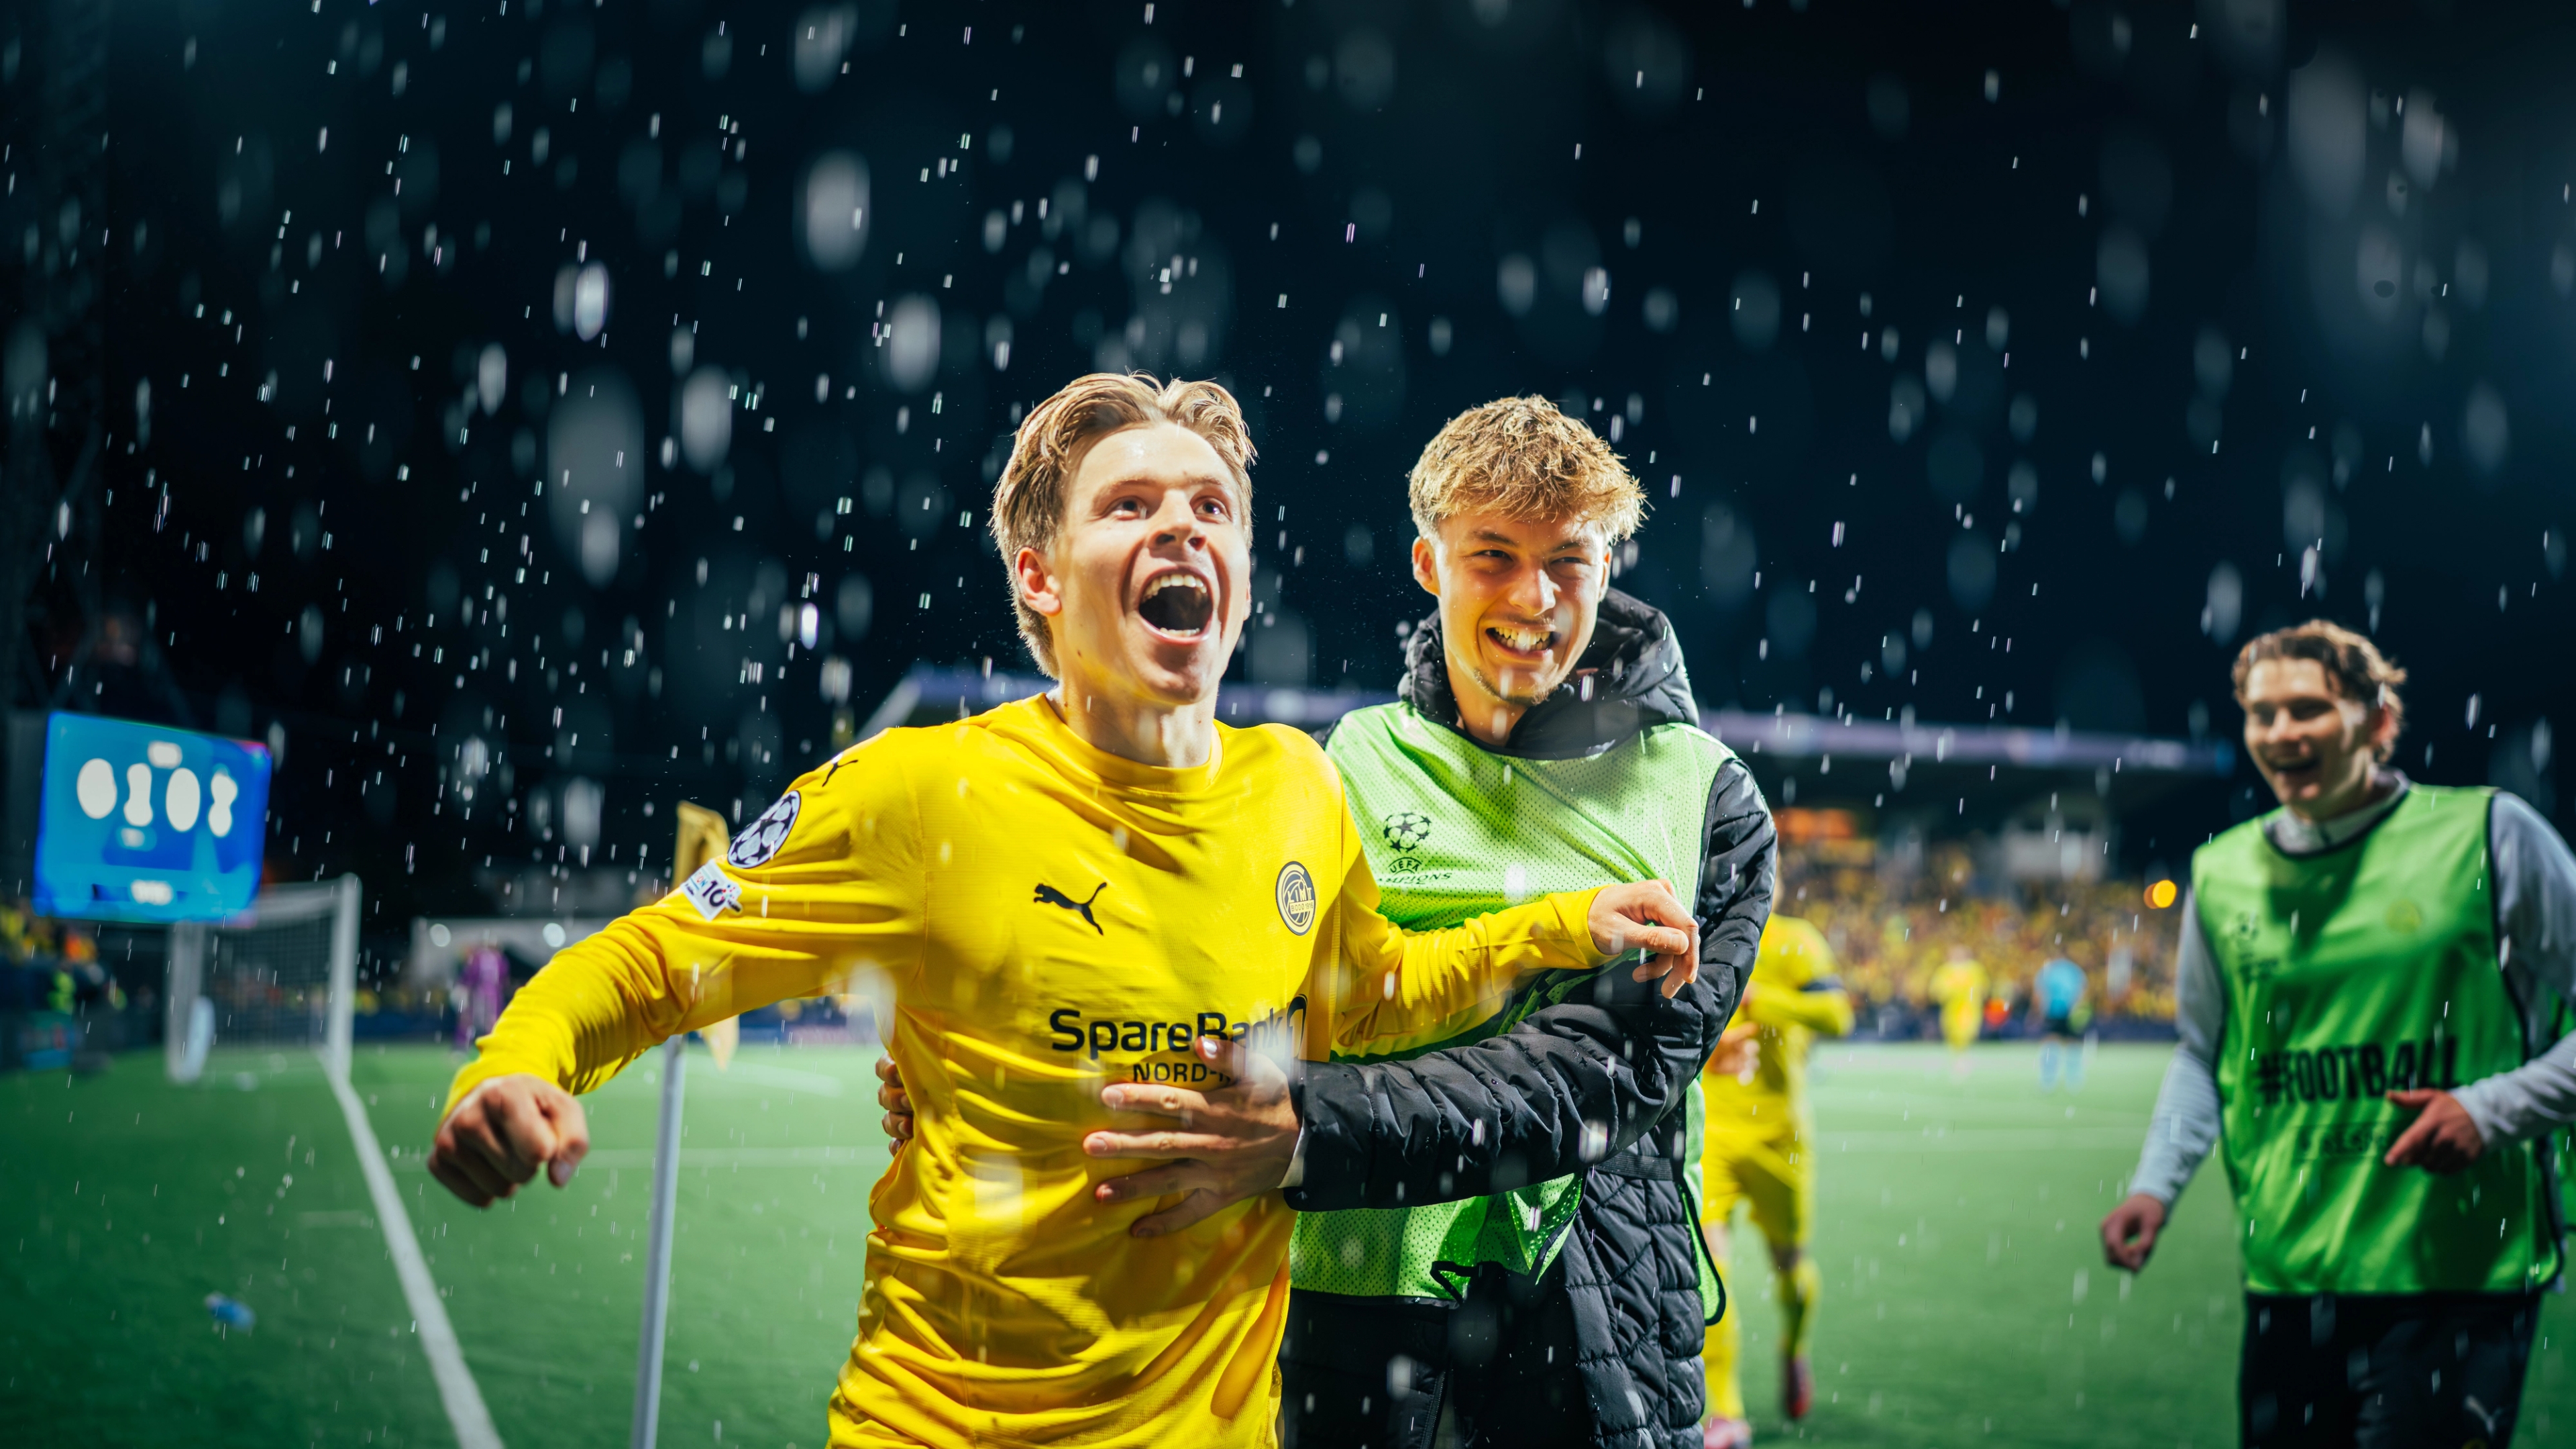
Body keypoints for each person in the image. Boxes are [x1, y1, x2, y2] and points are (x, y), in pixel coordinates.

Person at [424, 373, 1704, 1449]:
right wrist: (521, 1063)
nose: (1183, 529)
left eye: (1213, 507)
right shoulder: (921, 793)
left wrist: (1563, 926)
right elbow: (659, 958)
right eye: (1130, 506)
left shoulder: (1299, 791)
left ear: (1244, 570)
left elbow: (1372, 996)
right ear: (1038, 575)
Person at [881, 395, 1776, 1449]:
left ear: (1609, 566)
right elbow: (1220, 986)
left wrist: (1310, 1136)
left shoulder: (1708, 801)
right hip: (1352, 1311)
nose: (1535, 595)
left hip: (1606, 1323)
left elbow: (1590, 1079)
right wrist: (1000, 1066)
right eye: (1493, 552)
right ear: (1427, 564)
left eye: (1570, 557)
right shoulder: (1336, 769)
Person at [2099, 620, 2576, 1448]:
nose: (2281, 733)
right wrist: (2154, 1183)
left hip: (2455, 1271)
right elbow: (2203, 1053)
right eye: (2261, 714)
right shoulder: (2222, 871)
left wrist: (2491, 1109)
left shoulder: (2491, 836)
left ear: (2378, 721)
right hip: (2292, 1272)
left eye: (2309, 709)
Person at [1697, 915, 1852, 1448]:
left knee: (1792, 1270)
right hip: (1712, 1130)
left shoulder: (1797, 941)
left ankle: (1793, 1346)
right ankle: (1724, 1409)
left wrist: (1764, 999)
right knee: (1709, 1269)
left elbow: (1837, 1015)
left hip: (1779, 1137)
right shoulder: (1701, 931)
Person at [2032, 955, 2088, 1092]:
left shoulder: (2048, 970)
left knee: (2052, 1043)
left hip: (2054, 1012)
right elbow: (2083, 990)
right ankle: (2073, 1079)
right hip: (2068, 1011)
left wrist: (2037, 1011)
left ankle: (2049, 1079)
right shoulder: (2073, 969)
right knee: (2070, 1044)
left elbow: (2039, 992)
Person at [1929, 945, 1986, 1073]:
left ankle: (1963, 1058)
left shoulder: (1974, 969)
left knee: (1966, 1032)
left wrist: (1973, 996)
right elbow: (1937, 988)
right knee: (1952, 1033)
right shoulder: (1946, 970)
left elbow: (1981, 987)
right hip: (1951, 1009)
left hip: (1968, 1008)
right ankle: (1958, 1059)